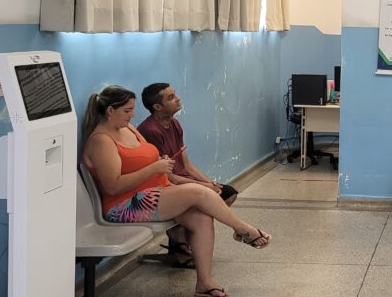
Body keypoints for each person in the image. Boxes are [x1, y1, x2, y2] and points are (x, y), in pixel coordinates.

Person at [81, 86, 272, 297]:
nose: (132, 115)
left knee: (201, 218)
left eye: (132, 109)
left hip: (154, 190)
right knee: (198, 193)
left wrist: (159, 162)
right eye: (127, 110)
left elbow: (145, 158)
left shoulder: (128, 129)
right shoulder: (101, 141)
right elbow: (113, 186)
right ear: (110, 111)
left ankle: (204, 283)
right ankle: (243, 230)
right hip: (126, 204)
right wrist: (154, 168)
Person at [138, 83, 239, 268]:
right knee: (207, 200)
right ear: (157, 106)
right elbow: (169, 177)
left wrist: (209, 182)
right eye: (170, 97)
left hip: (183, 181)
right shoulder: (150, 131)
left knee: (228, 193)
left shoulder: (175, 124)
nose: (178, 99)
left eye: (174, 94)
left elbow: (187, 165)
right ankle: (180, 243)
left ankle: (182, 242)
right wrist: (205, 188)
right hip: (167, 184)